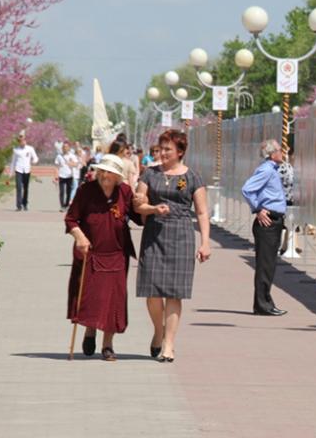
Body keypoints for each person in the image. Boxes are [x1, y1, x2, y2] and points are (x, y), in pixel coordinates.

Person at [134, 129, 210, 362]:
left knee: (174, 293)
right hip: (154, 234)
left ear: (180, 152)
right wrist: (152, 209)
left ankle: (169, 344)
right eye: (161, 148)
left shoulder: (193, 177)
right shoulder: (149, 174)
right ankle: (159, 330)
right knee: (153, 293)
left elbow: (201, 211)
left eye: (168, 149)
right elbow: (138, 204)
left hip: (182, 236)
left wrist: (205, 242)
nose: (163, 153)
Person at [65, 154, 141, 361]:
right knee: (92, 297)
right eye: (103, 171)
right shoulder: (86, 191)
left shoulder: (124, 191)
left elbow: (139, 218)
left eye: (110, 172)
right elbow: (71, 219)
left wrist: (144, 204)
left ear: (118, 176)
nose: (105, 175)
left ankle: (108, 345)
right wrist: (80, 237)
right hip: (91, 253)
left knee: (113, 302)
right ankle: (90, 330)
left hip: (117, 254)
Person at [241, 139, 289, 316]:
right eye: (280, 150)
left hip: (274, 220)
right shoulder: (267, 170)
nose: (283, 153)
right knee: (265, 264)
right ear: (272, 153)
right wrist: (258, 209)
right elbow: (247, 189)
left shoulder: (273, 170)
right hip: (267, 221)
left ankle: (265, 301)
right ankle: (262, 304)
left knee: (269, 265)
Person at [11, 133, 38, 211]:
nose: (23, 142)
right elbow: (13, 161)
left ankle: (25, 203)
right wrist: (11, 172)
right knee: (19, 188)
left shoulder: (30, 149)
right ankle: (18, 205)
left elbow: (35, 158)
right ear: (19, 142)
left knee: (26, 188)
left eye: (24, 140)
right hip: (18, 170)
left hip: (27, 170)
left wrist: (34, 161)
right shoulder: (16, 150)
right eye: (21, 141)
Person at [55, 141, 76, 211]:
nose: (65, 148)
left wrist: (71, 163)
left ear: (69, 148)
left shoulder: (72, 156)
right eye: (63, 147)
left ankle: (67, 205)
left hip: (69, 175)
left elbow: (76, 164)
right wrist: (56, 176)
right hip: (61, 175)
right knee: (61, 191)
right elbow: (57, 167)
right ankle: (62, 206)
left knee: (68, 191)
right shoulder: (59, 156)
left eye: (66, 147)